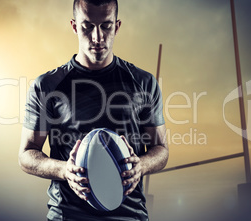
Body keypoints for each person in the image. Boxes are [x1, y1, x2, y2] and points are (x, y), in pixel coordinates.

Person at [18, 0, 168, 220]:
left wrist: (141, 165)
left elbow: (161, 148)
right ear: (74, 26)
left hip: (129, 216)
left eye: (106, 26)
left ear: (116, 26)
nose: (97, 37)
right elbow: (26, 154)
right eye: (87, 26)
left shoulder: (143, 82)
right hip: (68, 215)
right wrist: (64, 170)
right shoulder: (47, 86)